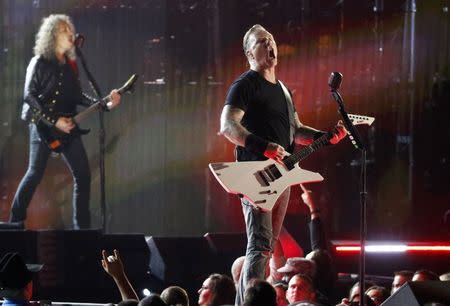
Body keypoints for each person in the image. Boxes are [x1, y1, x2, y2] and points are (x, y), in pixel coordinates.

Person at [219, 24, 347, 306]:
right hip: (256, 175)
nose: (270, 45)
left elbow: (296, 130)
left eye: (272, 40)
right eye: (262, 41)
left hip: (281, 177)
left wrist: (326, 137)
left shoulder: (284, 91)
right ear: (249, 52)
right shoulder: (245, 84)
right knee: (260, 245)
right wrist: (262, 145)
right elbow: (227, 126)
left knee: (266, 248)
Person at [9, 14, 121, 229]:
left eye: (70, 30)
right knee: (35, 173)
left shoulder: (70, 66)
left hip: (68, 127)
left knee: (83, 176)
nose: (70, 34)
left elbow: (79, 97)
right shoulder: (39, 62)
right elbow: (29, 96)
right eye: (64, 30)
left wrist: (106, 103)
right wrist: (54, 121)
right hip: (42, 125)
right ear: (52, 35)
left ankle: (82, 232)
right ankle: (14, 224)